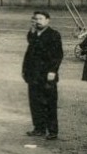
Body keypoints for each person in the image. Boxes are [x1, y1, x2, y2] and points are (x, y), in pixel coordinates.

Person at [22, 10, 64, 140]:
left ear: (47, 20)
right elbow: (30, 50)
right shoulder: (34, 34)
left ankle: (52, 131)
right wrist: (25, 71)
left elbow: (58, 55)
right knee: (35, 102)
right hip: (33, 75)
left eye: (40, 19)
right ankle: (38, 128)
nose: (38, 21)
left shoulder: (53, 35)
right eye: (36, 19)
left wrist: (53, 71)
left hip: (47, 75)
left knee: (49, 103)